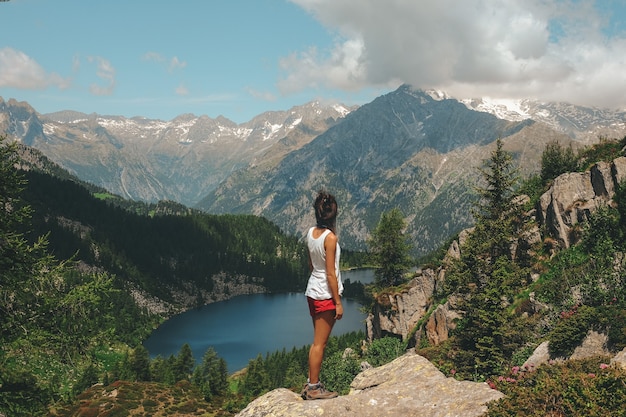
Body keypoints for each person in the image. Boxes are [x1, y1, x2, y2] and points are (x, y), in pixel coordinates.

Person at [301, 190, 344, 400]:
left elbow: (312, 265)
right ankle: (314, 387)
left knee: (316, 342)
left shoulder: (311, 233)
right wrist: (338, 302)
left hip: (312, 291)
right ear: (333, 214)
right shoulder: (331, 238)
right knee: (320, 344)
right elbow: (330, 273)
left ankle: (311, 383)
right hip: (325, 295)